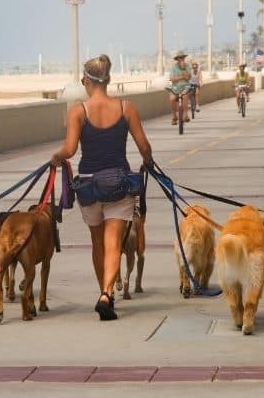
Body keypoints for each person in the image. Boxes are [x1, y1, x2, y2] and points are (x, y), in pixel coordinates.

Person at [50, 54, 153, 321]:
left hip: (88, 186)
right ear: (107, 80)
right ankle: (107, 294)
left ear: (86, 80)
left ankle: (103, 293)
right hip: (118, 183)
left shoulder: (78, 111)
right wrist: (148, 162)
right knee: (113, 243)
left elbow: (70, 150)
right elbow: (144, 146)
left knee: (97, 243)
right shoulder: (126, 108)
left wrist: (56, 157)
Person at [168, 50, 191, 125]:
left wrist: (184, 69)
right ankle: (174, 116)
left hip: (185, 86)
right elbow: (172, 79)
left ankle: (185, 114)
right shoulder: (173, 67)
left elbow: (188, 78)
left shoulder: (187, 66)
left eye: (183, 57)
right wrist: (182, 77)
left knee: (185, 97)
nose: (181, 59)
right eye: (180, 58)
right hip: (175, 87)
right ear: (177, 59)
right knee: (172, 99)